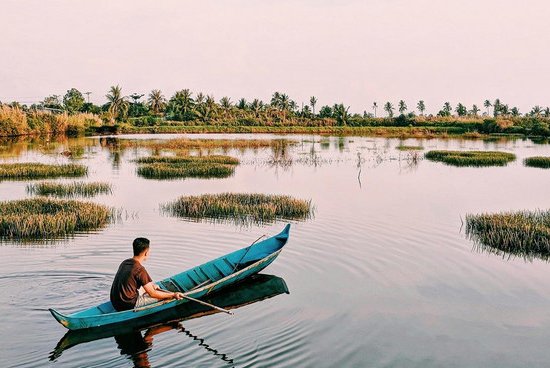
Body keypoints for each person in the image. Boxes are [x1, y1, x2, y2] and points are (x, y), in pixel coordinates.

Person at [110, 237, 183, 311]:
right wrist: (173, 294)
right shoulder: (140, 270)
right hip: (128, 304)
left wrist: (151, 287)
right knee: (165, 297)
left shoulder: (125, 262)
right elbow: (153, 294)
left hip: (115, 303)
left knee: (150, 288)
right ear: (146, 252)